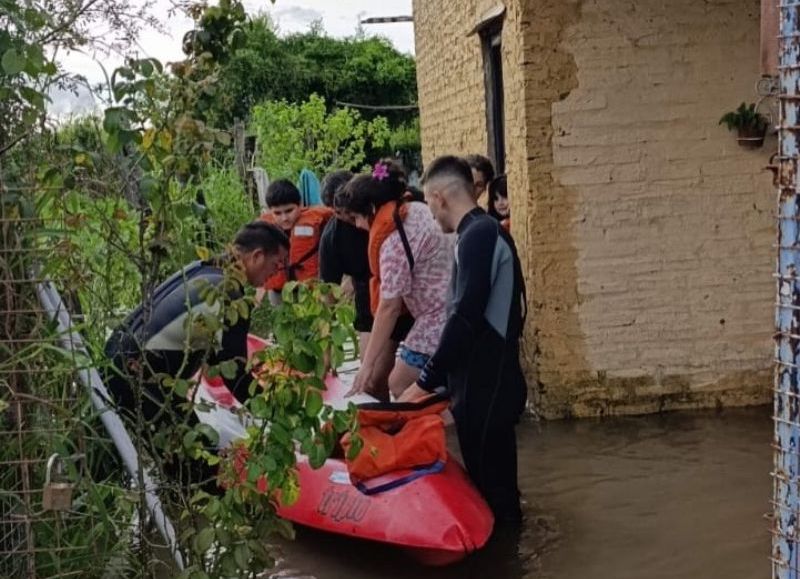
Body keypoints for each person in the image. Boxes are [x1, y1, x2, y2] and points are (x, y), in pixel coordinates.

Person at [103, 221, 290, 487]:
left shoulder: (203, 268)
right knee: (198, 463)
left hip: (116, 358)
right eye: (277, 264)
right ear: (257, 256)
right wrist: (275, 414)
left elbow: (217, 359)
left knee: (184, 449)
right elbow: (234, 374)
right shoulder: (232, 295)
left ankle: (169, 506)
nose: (275, 274)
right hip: (137, 376)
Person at [398, 155, 528, 524]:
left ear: (438, 197)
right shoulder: (474, 236)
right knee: (490, 490)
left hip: (489, 387)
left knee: (498, 498)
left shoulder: (480, 235)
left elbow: (466, 319)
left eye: (428, 203)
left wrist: (424, 382)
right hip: (478, 386)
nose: (431, 214)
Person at [341, 159, 451, 400]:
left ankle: (449, 430)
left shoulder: (393, 242)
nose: (358, 225)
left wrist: (367, 366)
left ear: (371, 209)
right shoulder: (418, 209)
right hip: (455, 307)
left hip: (437, 319)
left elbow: (389, 307)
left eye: (357, 218)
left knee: (399, 384)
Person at [261, 179, 334, 304]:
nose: (284, 218)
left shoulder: (319, 222)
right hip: (279, 292)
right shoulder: (262, 229)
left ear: (300, 205)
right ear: (269, 211)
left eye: (289, 211)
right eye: (277, 213)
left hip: (311, 289)